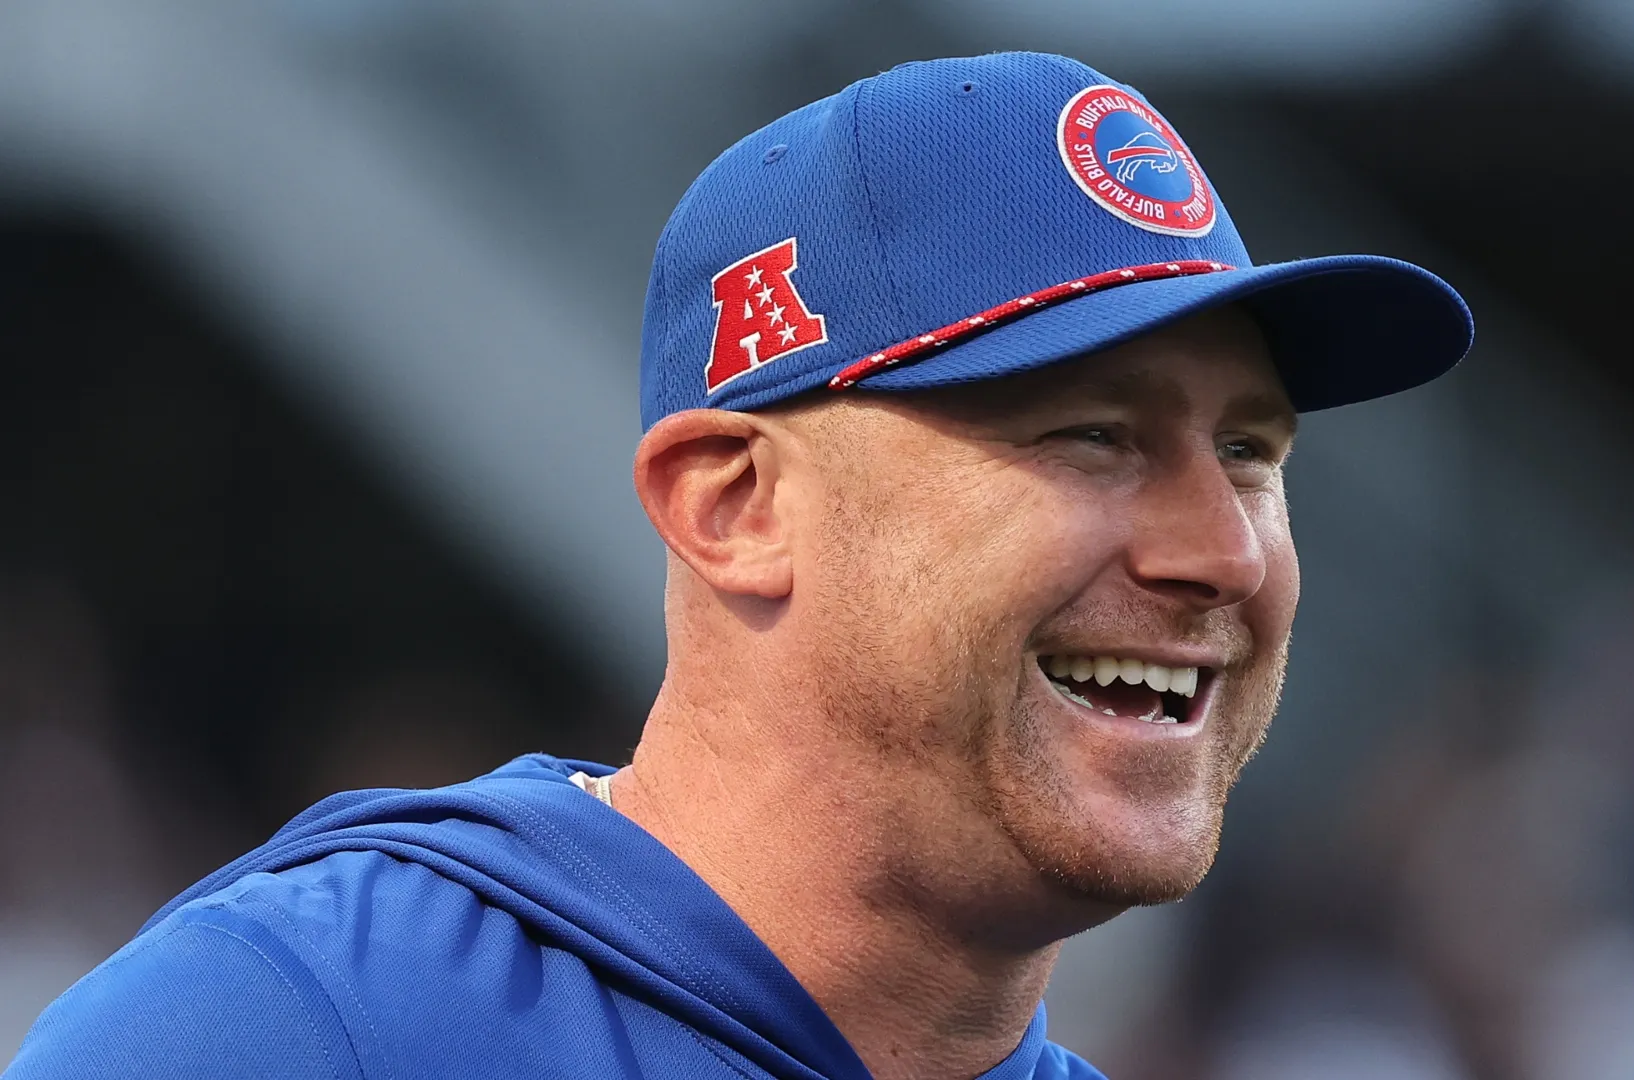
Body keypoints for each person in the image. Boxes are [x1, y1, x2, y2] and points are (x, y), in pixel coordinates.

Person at [5, 51, 1470, 1080]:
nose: (1221, 549)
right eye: (1092, 435)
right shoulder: (298, 1029)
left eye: (1253, 454)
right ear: (732, 506)